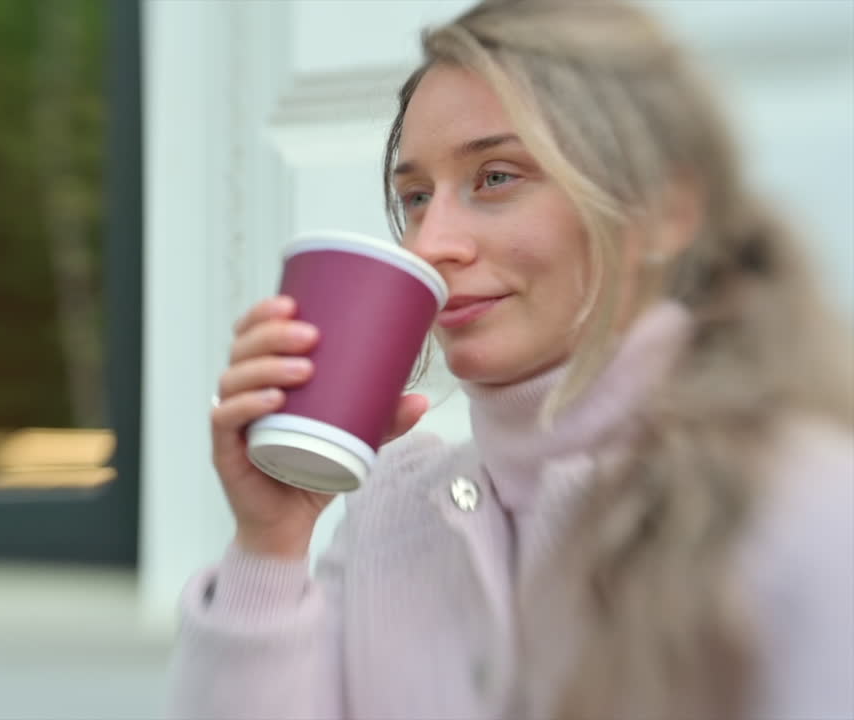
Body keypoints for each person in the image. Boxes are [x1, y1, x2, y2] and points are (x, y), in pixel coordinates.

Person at [166, 0, 854, 718]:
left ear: (664, 212)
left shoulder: (805, 511)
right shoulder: (392, 511)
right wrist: (270, 544)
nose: (431, 243)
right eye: (416, 197)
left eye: (496, 177)